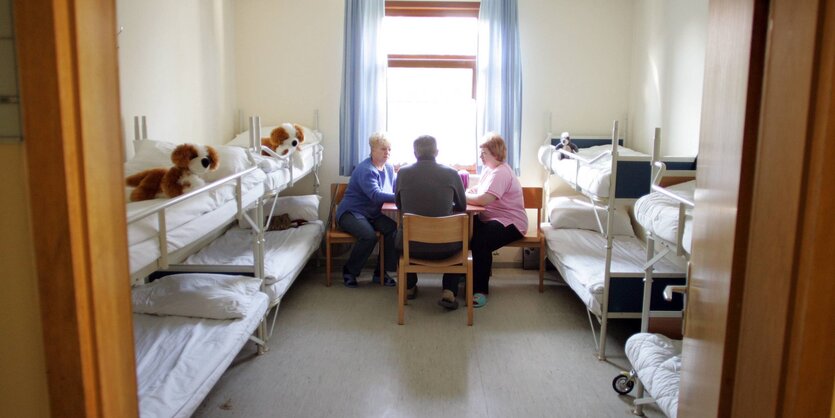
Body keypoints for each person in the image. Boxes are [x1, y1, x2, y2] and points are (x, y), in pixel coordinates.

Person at [394, 135, 467, 308]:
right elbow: (462, 205)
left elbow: (398, 204)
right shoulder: (451, 173)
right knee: (460, 238)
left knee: (398, 238)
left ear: (414, 153)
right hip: (446, 247)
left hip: (412, 246)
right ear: (437, 152)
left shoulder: (402, 173)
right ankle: (449, 291)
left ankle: (410, 286)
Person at [465, 133, 528, 308]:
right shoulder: (489, 170)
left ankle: (480, 290)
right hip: (492, 218)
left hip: (511, 222)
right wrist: (469, 192)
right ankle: (468, 275)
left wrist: (462, 196)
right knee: (464, 229)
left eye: (484, 153)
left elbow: (483, 199)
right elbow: (479, 189)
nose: (480, 157)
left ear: (495, 153)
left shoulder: (502, 172)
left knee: (481, 241)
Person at [336, 132, 398, 288]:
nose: (387, 152)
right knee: (368, 236)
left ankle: (380, 273)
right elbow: (376, 195)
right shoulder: (366, 169)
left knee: (392, 229)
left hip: (372, 214)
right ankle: (350, 271)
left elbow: (395, 187)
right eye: (383, 149)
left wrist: (405, 191)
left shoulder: (389, 168)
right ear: (372, 150)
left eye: (389, 149)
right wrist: (400, 197)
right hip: (351, 213)